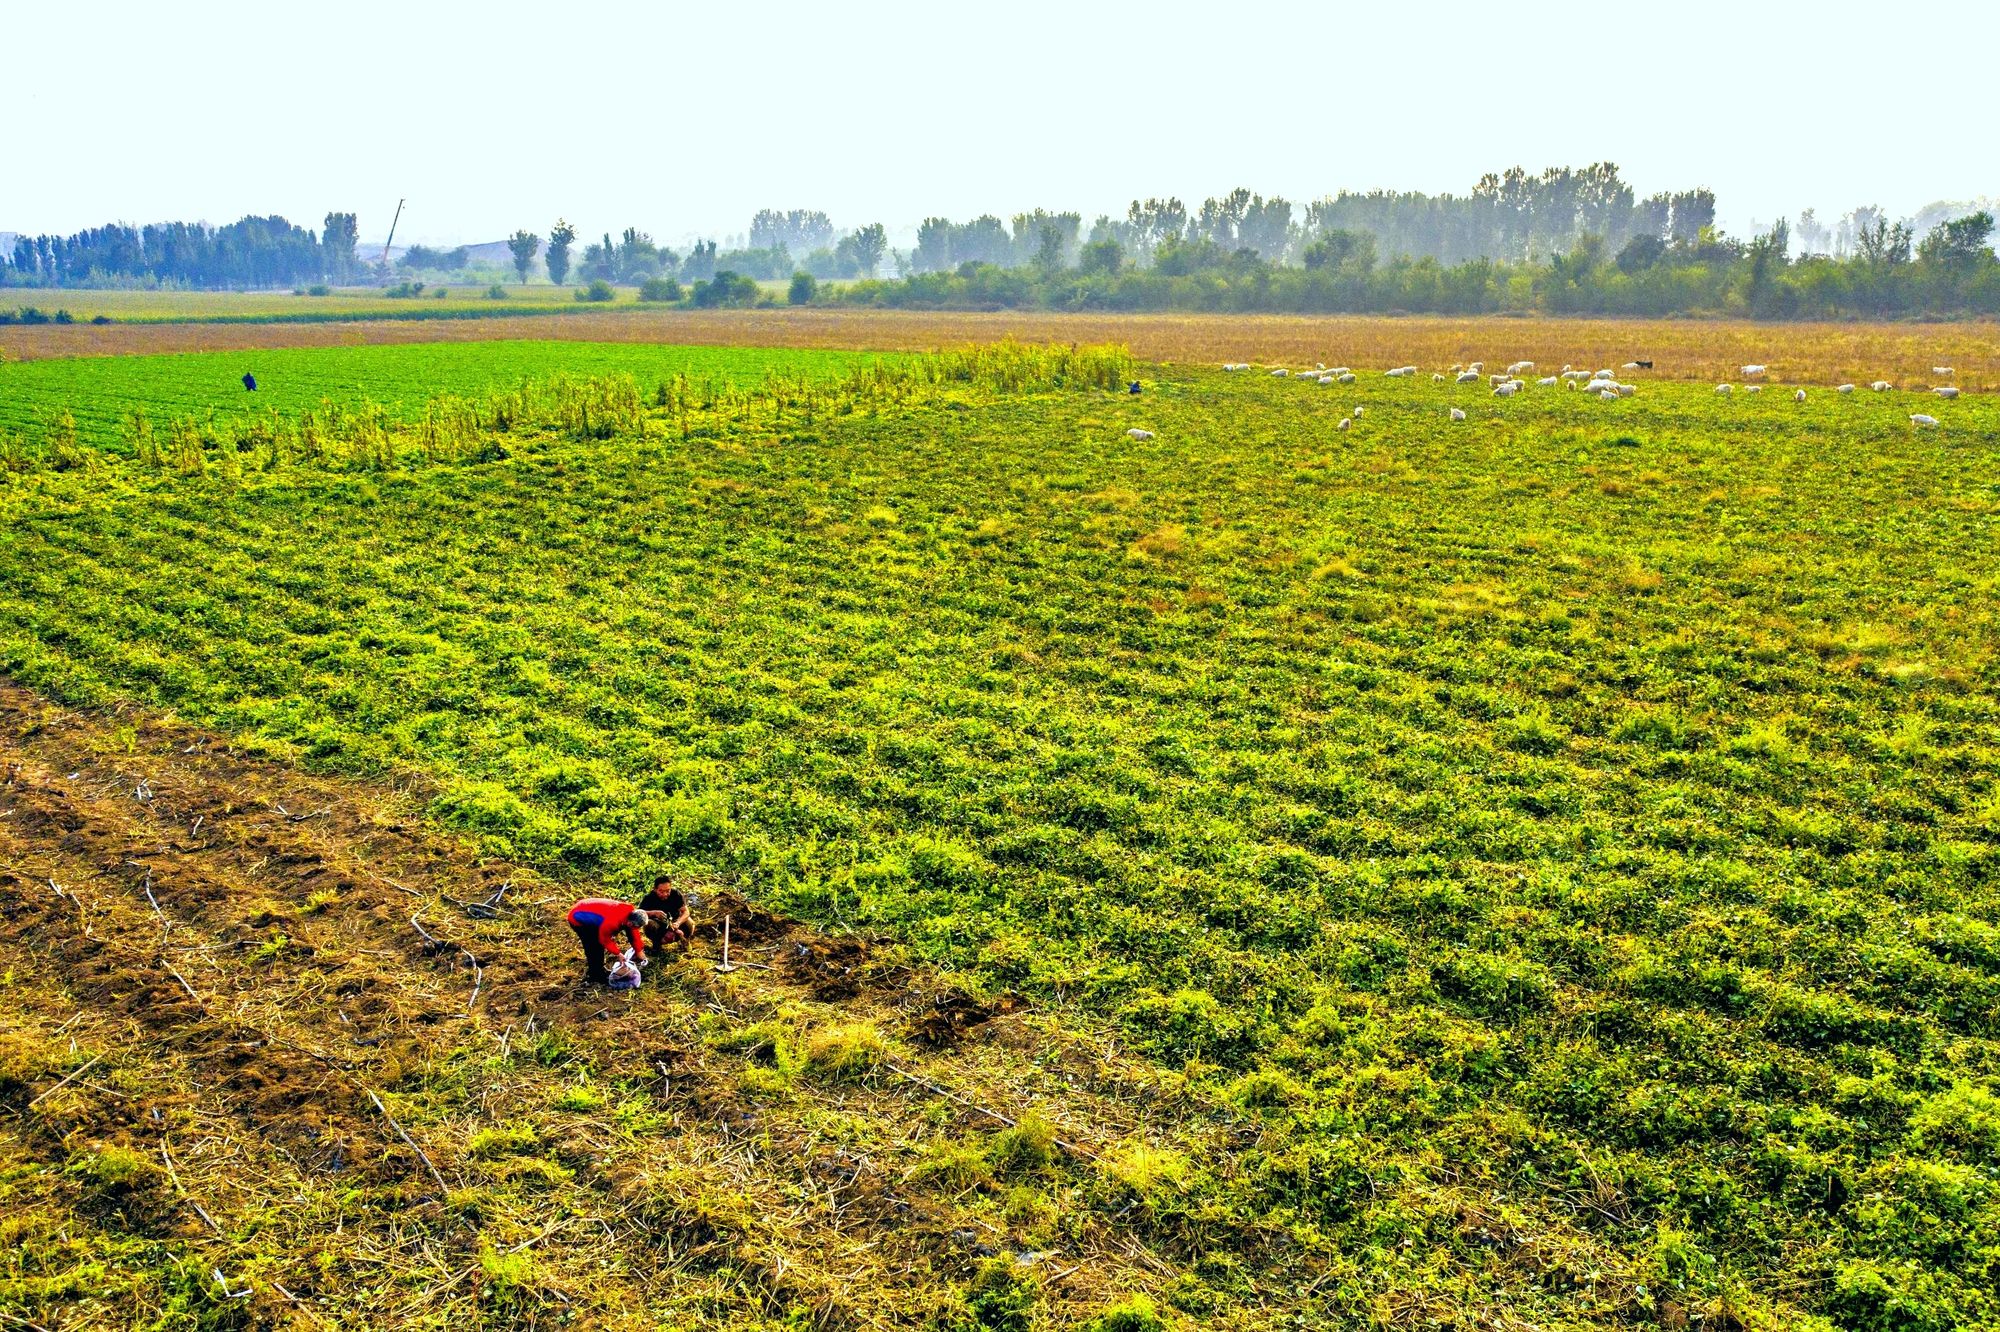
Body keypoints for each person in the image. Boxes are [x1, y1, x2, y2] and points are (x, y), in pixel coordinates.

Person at [566, 898, 652, 985]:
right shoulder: (612, 922)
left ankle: (599, 969)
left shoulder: (630, 914)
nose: (637, 929)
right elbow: (605, 940)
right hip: (578, 918)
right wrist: (618, 954)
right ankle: (596, 975)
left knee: (598, 944)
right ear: (630, 923)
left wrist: (639, 950)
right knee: (594, 946)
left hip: (591, 910)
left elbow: (633, 934)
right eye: (637, 927)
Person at [637, 874, 694, 952]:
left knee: (689, 923)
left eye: (668, 891)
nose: (665, 894)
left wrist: (678, 923)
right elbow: (639, 913)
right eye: (661, 891)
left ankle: (685, 942)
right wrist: (653, 913)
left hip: (674, 923)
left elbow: (686, 911)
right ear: (655, 889)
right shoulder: (649, 898)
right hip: (659, 926)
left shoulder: (676, 894)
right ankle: (656, 945)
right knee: (649, 924)